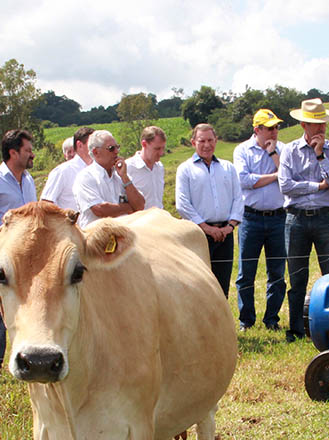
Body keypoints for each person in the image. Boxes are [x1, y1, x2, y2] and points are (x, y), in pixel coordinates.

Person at [279, 99, 329, 342]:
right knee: (297, 277)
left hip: (326, 218)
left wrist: (320, 156)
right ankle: (296, 329)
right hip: (295, 219)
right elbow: (285, 186)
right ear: (304, 125)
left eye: (324, 124)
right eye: (316, 124)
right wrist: (318, 186)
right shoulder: (289, 150)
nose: (321, 129)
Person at [0, 128, 38, 377]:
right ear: (13, 153)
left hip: (31, 257)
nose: (32, 154)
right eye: (27, 150)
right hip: (6, 258)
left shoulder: (30, 180)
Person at [234, 108, 287, 330]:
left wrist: (274, 155)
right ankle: (246, 320)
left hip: (278, 217)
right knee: (246, 273)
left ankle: (272, 319)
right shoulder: (242, 150)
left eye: (276, 127)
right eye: (269, 128)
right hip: (251, 218)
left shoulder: (283, 149)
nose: (274, 132)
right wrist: (275, 176)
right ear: (257, 130)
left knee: (277, 272)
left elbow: (288, 175)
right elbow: (244, 180)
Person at [175, 123, 244, 294]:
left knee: (222, 284)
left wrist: (230, 227)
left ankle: (220, 320)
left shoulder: (228, 167)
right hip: (197, 234)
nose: (207, 145)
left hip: (225, 234)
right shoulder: (185, 169)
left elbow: (238, 198)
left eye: (210, 140)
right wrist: (206, 228)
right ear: (193, 143)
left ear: (216, 141)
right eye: (202, 141)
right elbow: (182, 203)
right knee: (198, 284)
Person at [75, 129, 145, 228]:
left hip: (124, 236)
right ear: (96, 152)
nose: (116, 152)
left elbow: (140, 206)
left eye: (117, 147)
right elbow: (100, 209)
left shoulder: (121, 175)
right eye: (111, 148)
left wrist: (125, 178)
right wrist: (128, 207)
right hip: (98, 238)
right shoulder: (85, 177)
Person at [41, 126, 94, 210]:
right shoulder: (62, 171)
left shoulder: (98, 170)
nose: (96, 147)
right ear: (80, 145)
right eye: (92, 144)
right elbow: (46, 203)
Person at [123, 125, 167, 211]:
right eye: (157, 149)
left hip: (159, 219)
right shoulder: (128, 168)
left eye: (163, 148)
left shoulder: (159, 167)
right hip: (139, 221)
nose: (161, 153)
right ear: (144, 144)